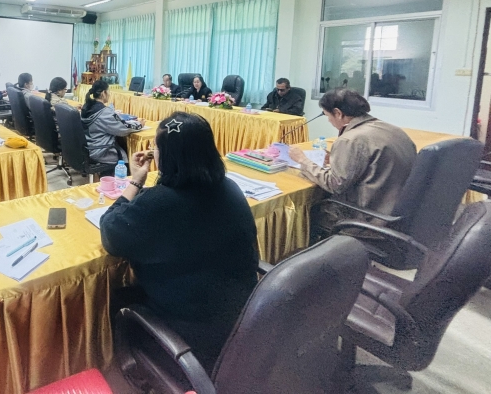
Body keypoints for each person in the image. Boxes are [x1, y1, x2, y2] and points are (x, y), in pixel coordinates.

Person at [100, 112, 259, 374]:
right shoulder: (229, 187)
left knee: (119, 297)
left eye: (156, 147)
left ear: (167, 156)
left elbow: (109, 233)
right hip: (242, 318)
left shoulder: (159, 204)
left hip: (190, 334)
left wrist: (136, 180)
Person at [288, 88, 417, 238]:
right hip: (399, 213)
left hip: (370, 217)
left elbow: (335, 185)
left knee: (308, 209)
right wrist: (336, 158)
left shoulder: (350, 139)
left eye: (327, 116)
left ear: (338, 113)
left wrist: (303, 160)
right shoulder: (392, 129)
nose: (329, 121)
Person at [80, 80, 143, 173]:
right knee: (126, 155)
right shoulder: (103, 112)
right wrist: (140, 124)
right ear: (103, 93)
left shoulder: (87, 107)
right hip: (100, 151)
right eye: (108, 91)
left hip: (88, 146)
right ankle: (120, 179)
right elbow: (123, 129)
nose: (109, 94)